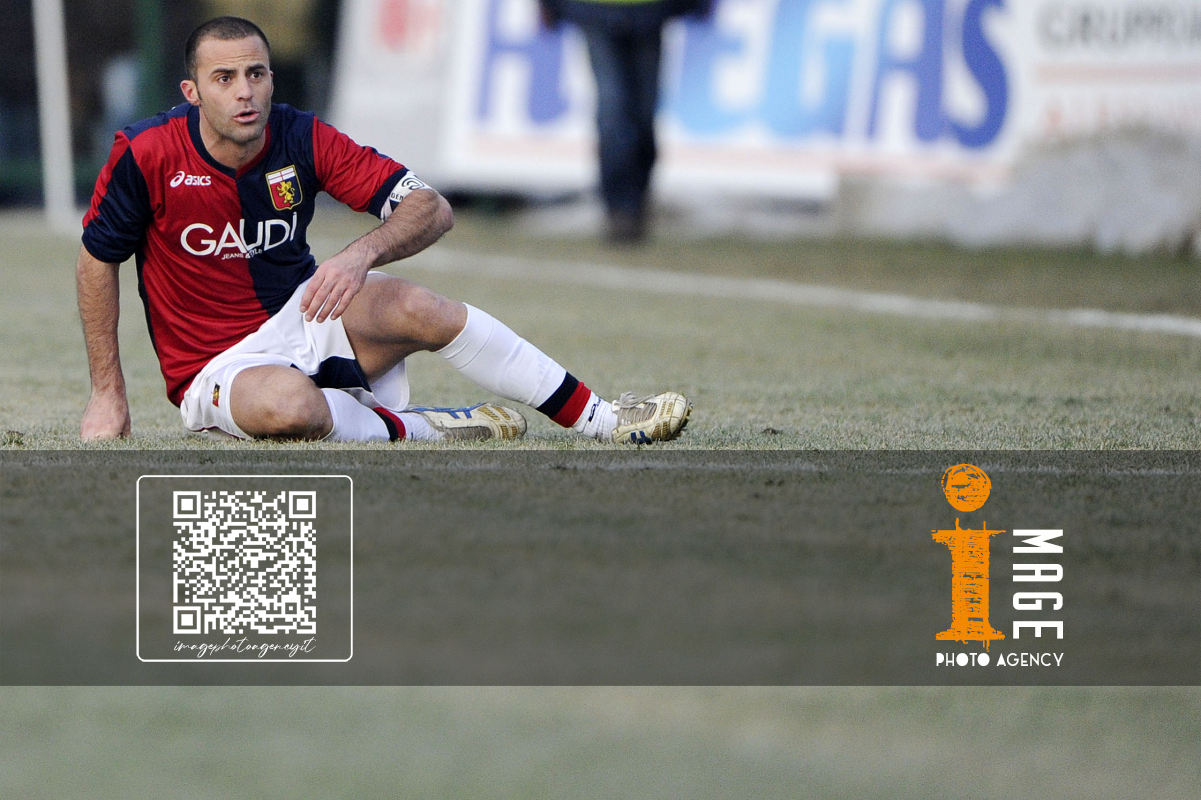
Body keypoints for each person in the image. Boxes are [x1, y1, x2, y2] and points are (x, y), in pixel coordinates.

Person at [78, 16, 690, 445]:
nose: (246, 93)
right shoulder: (146, 153)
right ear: (191, 92)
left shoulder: (301, 135)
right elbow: (96, 259)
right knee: (290, 409)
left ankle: (603, 419)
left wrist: (360, 254)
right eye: (225, 78)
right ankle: (421, 427)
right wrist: (108, 393)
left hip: (306, 312)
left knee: (419, 306)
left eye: (257, 74)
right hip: (214, 367)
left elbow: (431, 207)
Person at [539, 0, 711, 243]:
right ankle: (619, 209)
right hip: (596, 9)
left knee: (643, 112)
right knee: (613, 107)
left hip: (649, 10)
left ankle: (636, 202)